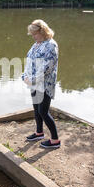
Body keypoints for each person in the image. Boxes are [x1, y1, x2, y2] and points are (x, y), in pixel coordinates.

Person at [21, 19, 60, 149]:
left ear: (42, 32)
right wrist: (25, 76)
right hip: (33, 83)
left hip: (44, 84)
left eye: (34, 34)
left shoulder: (51, 45)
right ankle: (39, 133)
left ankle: (55, 140)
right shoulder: (37, 44)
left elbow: (46, 68)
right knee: (36, 110)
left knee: (43, 111)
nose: (33, 37)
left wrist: (32, 79)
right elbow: (29, 60)